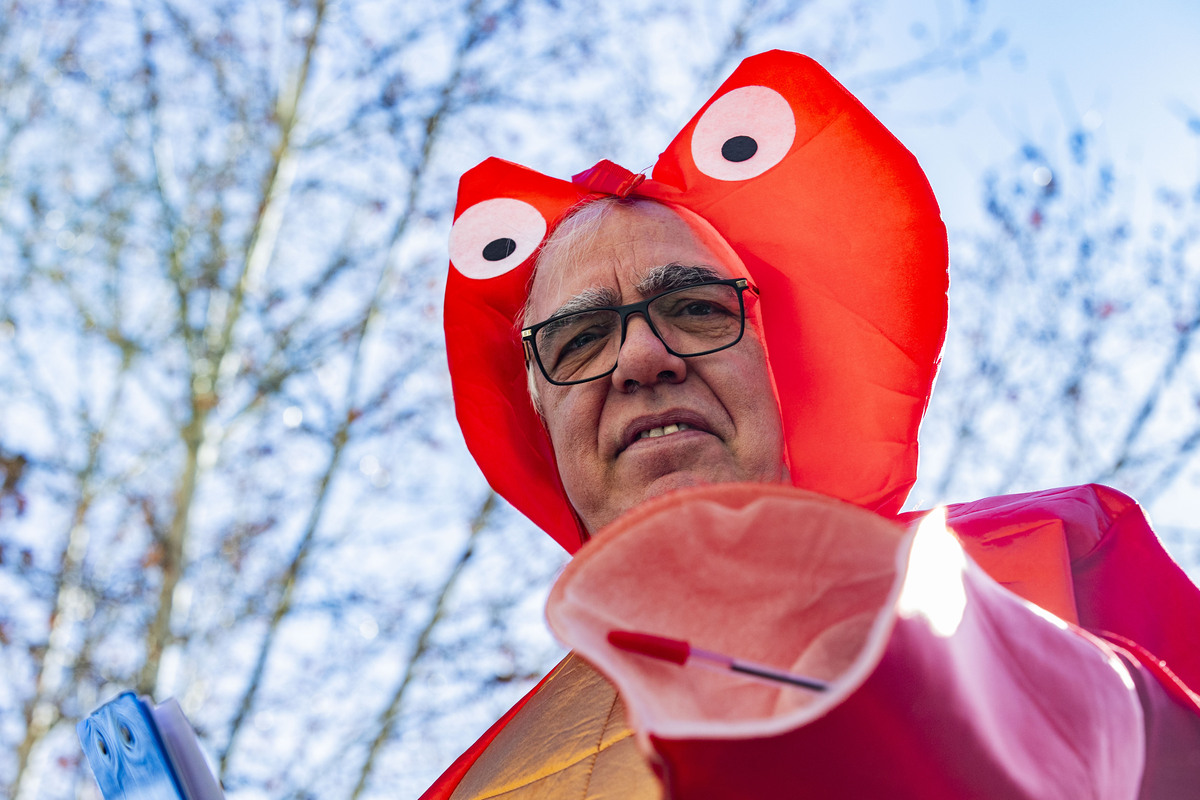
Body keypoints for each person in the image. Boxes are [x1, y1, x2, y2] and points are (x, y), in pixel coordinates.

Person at [427, 51, 1200, 798]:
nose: (643, 357)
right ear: (542, 421)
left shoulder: (1055, 557)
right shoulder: (476, 786)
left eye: (696, 310)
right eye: (582, 338)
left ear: (777, 371)